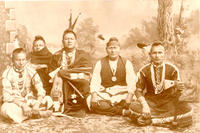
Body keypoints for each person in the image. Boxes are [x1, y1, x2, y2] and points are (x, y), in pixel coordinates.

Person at [128, 41, 193, 128]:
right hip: (151, 103)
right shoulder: (144, 71)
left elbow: (178, 93)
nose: (157, 56)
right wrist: (144, 105)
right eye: (154, 53)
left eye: (160, 52)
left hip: (168, 102)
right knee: (133, 107)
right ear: (150, 55)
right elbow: (138, 90)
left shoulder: (172, 69)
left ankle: (151, 121)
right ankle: (168, 121)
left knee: (187, 108)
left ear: (164, 54)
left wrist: (178, 88)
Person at [0, 48, 53, 123]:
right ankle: (37, 114)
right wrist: (23, 105)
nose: (21, 63)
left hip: (30, 101)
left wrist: (37, 103)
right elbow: (6, 96)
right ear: (12, 60)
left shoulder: (31, 71)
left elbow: (40, 88)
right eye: (18, 60)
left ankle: (28, 114)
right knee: (6, 109)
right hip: (15, 103)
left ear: (26, 60)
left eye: (23, 59)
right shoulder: (7, 74)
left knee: (48, 99)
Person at [87, 37, 137, 116]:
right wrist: (94, 95)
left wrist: (129, 97)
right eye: (110, 48)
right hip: (106, 92)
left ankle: (112, 110)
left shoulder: (126, 63)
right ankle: (122, 111)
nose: (113, 51)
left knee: (133, 102)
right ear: (106, 49)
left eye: (115, 48)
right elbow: (95, 81)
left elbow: (132, 82)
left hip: (122, 91)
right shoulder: (100, 63)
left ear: (119, 49)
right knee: (91, 101)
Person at [49, 29, 92, 116]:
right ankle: (59, 105)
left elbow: (86, 69)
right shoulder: (56, 55)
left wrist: (64, 72)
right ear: (62, 41)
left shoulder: (83, 54)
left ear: (75, 41)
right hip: (63, 82)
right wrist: (62, 74)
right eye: (66, 39)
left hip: (78, 79)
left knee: (83, 82)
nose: (69, 41)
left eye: (71, 39)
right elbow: (51, 71)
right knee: (59, 78)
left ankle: (83, 104)